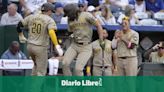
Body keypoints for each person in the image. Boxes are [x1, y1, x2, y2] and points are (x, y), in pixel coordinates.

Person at [17, 3, 63, 76]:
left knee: (35, 66)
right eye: (51, 11)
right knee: (41, 72)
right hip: (40, 47)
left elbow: (19, 24)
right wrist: (57, 45)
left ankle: (31, 87)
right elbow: (51, 32)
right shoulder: (49, 19)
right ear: (48, 11)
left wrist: (21, 35)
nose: (51, 13)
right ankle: (36, 88)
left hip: (30, 47)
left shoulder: (31, 17)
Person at [62, 3, 104, 76]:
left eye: (68, 14)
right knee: (64, 63)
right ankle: (69, 84)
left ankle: (79, 86)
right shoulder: (70, 19)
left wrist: (101, 40)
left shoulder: (86, 15)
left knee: (78, 69)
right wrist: (73, 35)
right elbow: (70, 31)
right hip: (74, 45)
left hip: (86, 46)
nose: (67, 16)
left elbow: (98, 26)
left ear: (72, 12)